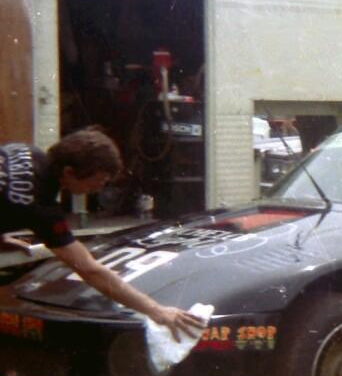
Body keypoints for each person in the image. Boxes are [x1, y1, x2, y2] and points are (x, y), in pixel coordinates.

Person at [0, 127, 204, 339]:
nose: (98, 189)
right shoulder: (41, 207)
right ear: (69, 172)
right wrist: (156, 310)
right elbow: (90, 271)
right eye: (97, 181)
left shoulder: (24, 151)